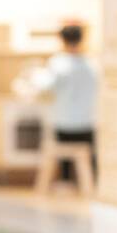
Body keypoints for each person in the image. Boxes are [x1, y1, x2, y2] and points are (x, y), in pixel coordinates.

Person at [31, 22, 99, 184]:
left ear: (61, 40)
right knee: (89, 158)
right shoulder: (91, 64)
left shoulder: (58, 63)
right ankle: (91, 184)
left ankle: (66, 181)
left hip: (64, 123)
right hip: (87, 122)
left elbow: (45, 86)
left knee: (65, 157)